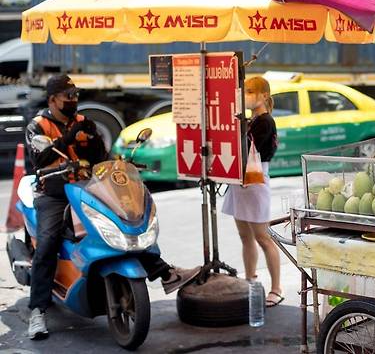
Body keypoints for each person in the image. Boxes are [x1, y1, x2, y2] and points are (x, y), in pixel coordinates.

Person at [25, 74, 199, 340]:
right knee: (48, 240)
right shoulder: (38, 126)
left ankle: (163, 271)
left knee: (127, 221)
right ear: (53, 99)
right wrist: (68, 138)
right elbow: (40, 160)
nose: (73, 101)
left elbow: (102, 159)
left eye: (75, 96)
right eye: (68, 97)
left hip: (88, 188)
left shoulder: (85, 122)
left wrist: (98, 146)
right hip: (55, 192)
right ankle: (37, 310)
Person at [222, 76, 284, 307]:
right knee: (245, 236)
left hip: (255, 180)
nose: (246, 95)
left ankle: (277, 288)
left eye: (250, 91)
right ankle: (250, 280)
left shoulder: (265, 122)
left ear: (264, 95)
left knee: (263, 237)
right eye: (244, 91)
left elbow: (249, 149)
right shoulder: (252, 119)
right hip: (241, 180)